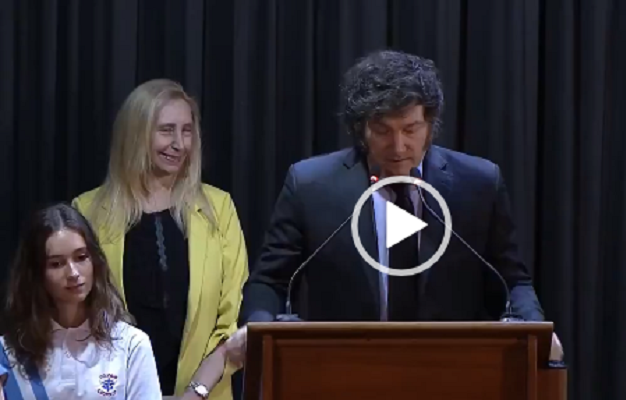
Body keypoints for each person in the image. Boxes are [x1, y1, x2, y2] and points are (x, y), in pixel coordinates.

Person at [239, 49, 562, 357]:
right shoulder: (312, 185)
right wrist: (258, 325)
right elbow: (270, 281)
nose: (398, 146)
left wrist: (535, 329)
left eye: (411, 129)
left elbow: (511, 281)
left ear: (430, 126)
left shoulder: (478, 184)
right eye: (382, 131)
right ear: (361, 129)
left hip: (453, 368)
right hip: (345, 366)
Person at [72, 79, 249, 400]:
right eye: (167, 130)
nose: (179, 144)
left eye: (187, 131)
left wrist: (195, 392)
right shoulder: (87, 212)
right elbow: (76, 316)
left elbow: (232, 319)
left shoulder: (219, 208)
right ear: (136, 135)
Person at [0, 204, 161, 398]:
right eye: (56, 264)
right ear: (35, 274)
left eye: (81, 257)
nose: (73, 273)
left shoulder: (131, 345)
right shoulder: (7, 354)